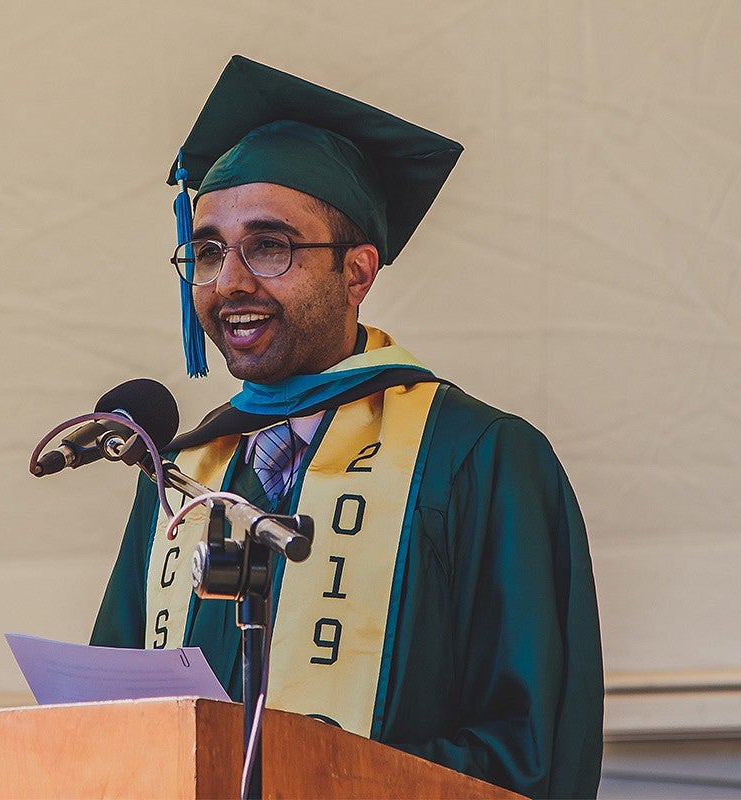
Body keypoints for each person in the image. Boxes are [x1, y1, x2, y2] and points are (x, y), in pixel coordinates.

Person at [90, 55, 603, 799]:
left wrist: (320, 770)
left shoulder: (478, 458)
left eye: (270, 246)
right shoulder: (180, 473)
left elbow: (532, 751)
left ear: (358, 272)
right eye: (207, 251)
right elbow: (110, 719)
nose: (230, 281)